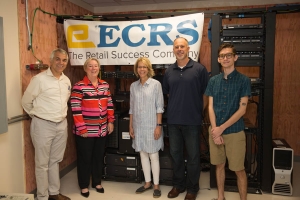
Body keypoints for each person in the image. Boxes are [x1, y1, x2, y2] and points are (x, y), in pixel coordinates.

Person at [162, 37, 209, 200]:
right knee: (175, 155)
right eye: (176, 47)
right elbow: (168, 94)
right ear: (173, 50)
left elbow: (205, 95)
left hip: (192, 122)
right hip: (173, 121)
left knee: (194, 157)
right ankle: (178, 185)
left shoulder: (199, 69)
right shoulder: (169, 71)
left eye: (182, 46)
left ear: (188, 48)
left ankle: (192, 188)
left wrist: (198, 113)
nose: (179, 49)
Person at [21, 48, 71, 200]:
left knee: (55, 161)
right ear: (51, 60)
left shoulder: (66, 80)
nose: (60, 63)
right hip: (43, 125)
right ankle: (42, 197)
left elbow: (64, 102)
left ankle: (54, 193)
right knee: (42, 164)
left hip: (61, 125)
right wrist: (38, 116)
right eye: (57, 59)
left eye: (64, 60)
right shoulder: (39, 79)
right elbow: (26, 101)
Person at [205, 43, 251, 200]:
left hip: (234, 132)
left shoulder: (244, 81)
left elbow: (242, 110)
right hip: (215, 131)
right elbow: (210, 107)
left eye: (229, 55)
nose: (225, 58)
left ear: (235, 57)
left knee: (239, 169)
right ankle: (220, 197)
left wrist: (221, 129)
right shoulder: (213, 81)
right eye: (222, 56)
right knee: (219, 166)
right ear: (218, 59)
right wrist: (215, 130)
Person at [70, 58, 115, 198]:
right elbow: (75, 108)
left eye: (96, 66)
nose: (93, 68)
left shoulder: (105, 85)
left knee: (98, 157)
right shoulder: (79, 86)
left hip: (102, 130)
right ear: (85, 68)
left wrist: (111, 121)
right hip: (85, 131)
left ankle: (97, 182)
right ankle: (84, 185)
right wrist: (82, 128)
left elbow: (109, 104)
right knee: (85, 159)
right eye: (90, 66)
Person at [129, 57, 164, 198]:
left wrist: (158, 126)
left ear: (148, 69)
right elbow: (131, 108)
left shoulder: (156, 85)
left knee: (153, 155)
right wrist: (130, 126)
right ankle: (147, 183)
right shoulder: (133, 86)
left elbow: (159, 107)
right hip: (138, 125)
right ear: (136, 69)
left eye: (144, 67)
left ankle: (156, 185)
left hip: (152, 125)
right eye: (139, 67)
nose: (142, 69)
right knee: (142, 153)